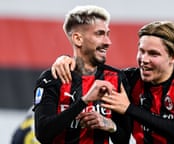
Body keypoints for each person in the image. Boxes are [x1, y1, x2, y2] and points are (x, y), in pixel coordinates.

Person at [51, 21, 174, 143]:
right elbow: (92, 69)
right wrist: (67, 60)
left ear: (173, 56)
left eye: (153, 54)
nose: (144, 60)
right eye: (141, 51)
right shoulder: (130, 79)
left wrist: (129, 108)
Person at [33, 5, 131, 144]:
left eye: (107, 34)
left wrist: (111, 126)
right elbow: (43, 133)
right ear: (78, 39)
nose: (108, 42)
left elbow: (123, 138)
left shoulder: (116, 78)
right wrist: (84, 101)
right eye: (99, 34)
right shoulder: (53, 77)